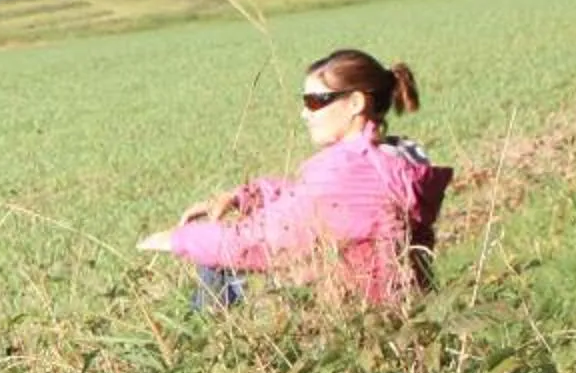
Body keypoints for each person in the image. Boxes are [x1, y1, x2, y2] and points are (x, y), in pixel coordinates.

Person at [137, 48, 451, 307]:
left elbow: (261, 241)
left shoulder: (346, 171)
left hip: (368, 325)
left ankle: (210, 348)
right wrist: (243, 197)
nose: (305, 113)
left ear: (356, 103)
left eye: (315, 102)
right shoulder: (388, 159)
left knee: (218, 264)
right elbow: (310, 202)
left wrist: (178, 239)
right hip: (407, 311)